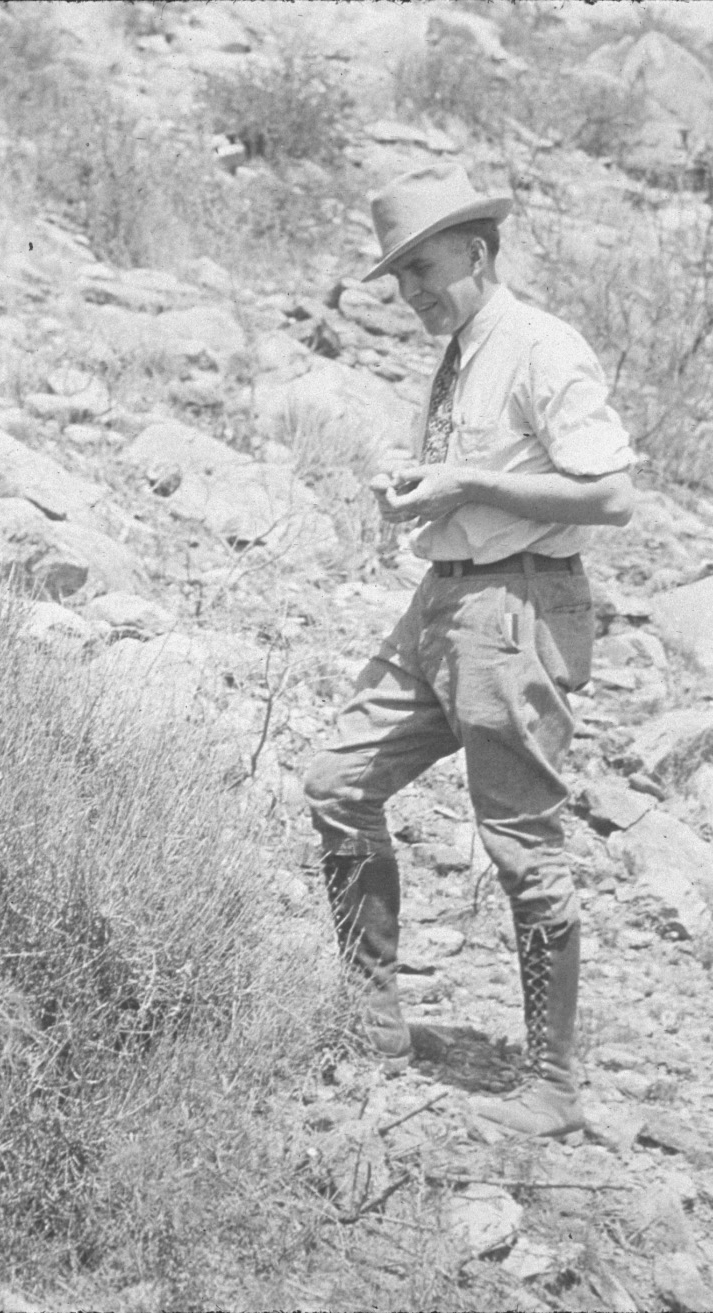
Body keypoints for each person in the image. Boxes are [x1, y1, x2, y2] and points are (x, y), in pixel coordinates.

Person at [303, 163, 636, 1138]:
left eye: (425, 270)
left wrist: (465, 490)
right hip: (442, 605)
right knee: (335, 779)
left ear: (480, 254)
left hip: (519, 607)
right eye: (399, 277)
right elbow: (481, 478)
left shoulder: (539, 346)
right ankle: (372, 1017)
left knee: (521, 848)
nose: (410, 293)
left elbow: (610, 496)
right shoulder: (460, 350)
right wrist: (429, 492)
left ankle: (552, 1083)